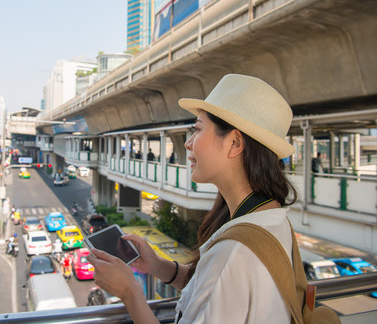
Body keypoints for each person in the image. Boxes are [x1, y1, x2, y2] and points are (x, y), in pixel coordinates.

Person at [87, 74, 298, 323]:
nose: (188, 144)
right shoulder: (269, 219)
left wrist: (130, 293)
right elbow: (213, 290)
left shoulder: (233, 252)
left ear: (234, 143)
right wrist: (157, 266)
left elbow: (221, 276)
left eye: (197, 129)